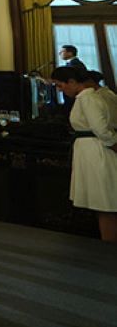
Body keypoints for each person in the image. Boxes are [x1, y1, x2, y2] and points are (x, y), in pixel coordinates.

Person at [50, 66, 117, 242]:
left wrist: (114, 144)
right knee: (102, 203)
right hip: (90, 151)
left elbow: (101, 129)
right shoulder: (85, 98)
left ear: (72, 82)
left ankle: (109, 246)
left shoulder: (88, 99)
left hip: (95, 153)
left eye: (60, 85)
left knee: (105, 204)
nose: (60, 89)